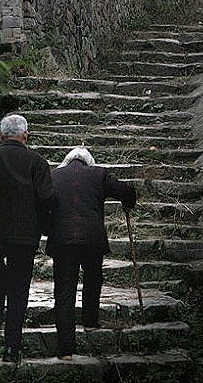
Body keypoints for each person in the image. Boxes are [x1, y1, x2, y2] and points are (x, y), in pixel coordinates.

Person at [0, 114, 56, 363]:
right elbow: (48, 199)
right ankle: (11, 348)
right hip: (24, 237)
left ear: (1, 136)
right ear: (25, 135)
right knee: (18, 288)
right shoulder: (37, 162)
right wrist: (45, 227)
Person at [46, 146, 136, 361]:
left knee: (64, 290)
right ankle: (89, 321)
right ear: (89, 161)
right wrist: (128, 203)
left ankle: (66, 349)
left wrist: (48, 225)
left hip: (63, 239)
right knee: (93, 278)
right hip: (91, 239)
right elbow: (126, 190)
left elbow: (43, 202)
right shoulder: (99, 174)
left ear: (67, 161)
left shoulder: (53, 176)